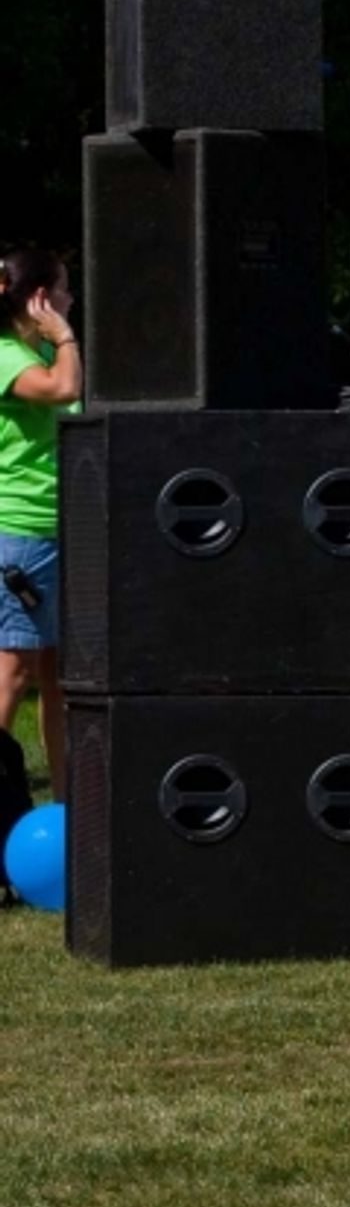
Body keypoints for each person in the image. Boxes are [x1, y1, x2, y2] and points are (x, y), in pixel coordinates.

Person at [0, 248, 80, 801]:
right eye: (64, 289)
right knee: (15, 670)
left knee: (61, 677)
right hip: (20, 534)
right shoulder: (5, 355)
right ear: (39, 298)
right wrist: (68, 337)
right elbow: (63, 391)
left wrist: (61, 341)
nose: (71, 300)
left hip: (62, 530)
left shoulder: (46, 350)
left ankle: (69, 799)